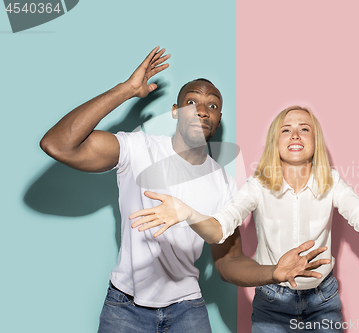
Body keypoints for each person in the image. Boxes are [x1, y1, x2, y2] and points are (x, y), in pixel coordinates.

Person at [40, 48, 330, 333]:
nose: (202, 110)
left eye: (213, 106)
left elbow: (228, 261)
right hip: (124, 307)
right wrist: (126, 89)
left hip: (186, 309)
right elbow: (58, 145)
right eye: (192, 102)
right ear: (176, 112)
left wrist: (273, 272)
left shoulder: (224, 185)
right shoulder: (139, 149)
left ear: (218, 119)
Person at [131, 106, 359, 332]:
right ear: (276, 142)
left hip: (323, 301)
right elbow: (218, 230)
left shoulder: (332, 181)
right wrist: (188, 213)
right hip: (272, 302)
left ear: (315, 142)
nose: (295, 134)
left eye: (304, 128)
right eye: (286, 129)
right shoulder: (258, 185)